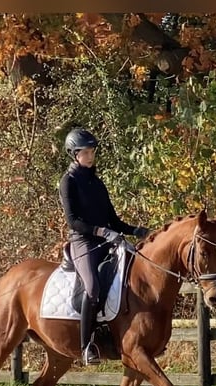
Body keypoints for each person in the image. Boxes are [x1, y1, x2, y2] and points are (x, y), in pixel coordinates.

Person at [58, 127, 149, 365]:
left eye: (92, 151)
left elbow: (114, 220)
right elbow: (73, 221)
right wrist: (101, 231)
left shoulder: (97, 183)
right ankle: (86, 345)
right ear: (74, 154)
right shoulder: (68, 182)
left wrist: (137, 230)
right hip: (83, 242)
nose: (90, 156)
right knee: (92, 287)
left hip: (106, 240)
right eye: (85, 152)